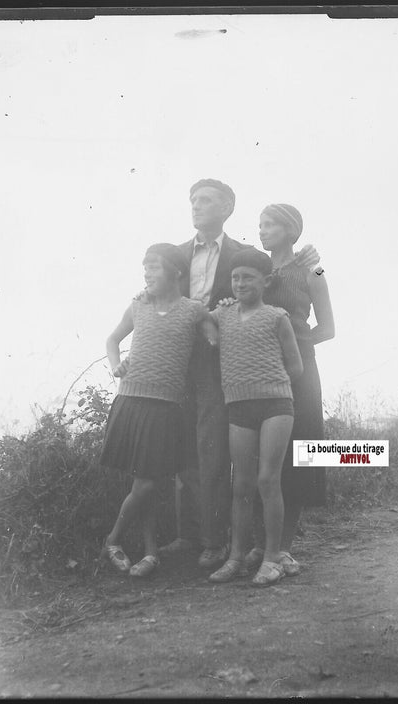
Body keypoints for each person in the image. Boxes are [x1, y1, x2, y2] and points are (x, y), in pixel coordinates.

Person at [158, 179, 321, 569]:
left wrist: (285, 353)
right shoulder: (190, 257)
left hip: (258, 370)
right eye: (192, 199)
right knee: (195, 453)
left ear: (228, 207)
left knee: (278, 457)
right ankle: (203, 538)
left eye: (207, 200)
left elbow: (300, 295)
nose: (197, 206)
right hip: (200, 365)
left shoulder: (276, 261)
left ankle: (265, 547)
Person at [100, 243, 217, 578]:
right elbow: (112, 340)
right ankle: (150, 552)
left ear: (176, 272)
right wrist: (115, 365)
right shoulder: (138, 305)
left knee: (147, 482)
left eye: (154, 267)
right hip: (131, 401)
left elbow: (215, 339)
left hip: (166, 407)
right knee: (144, 480)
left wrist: (220, 316)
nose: (147, 273)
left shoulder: (194, 310)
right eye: (145, 267)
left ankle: (112, 540)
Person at [244, 203, 335, 576]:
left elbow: (328, 328)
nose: (262, 230)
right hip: (258, 373)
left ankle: (282, 548)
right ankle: (258, 545)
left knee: (299, 453)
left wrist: (295, 348)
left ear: (290, 230)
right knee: (260, 458)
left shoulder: (314, 267)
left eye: (270, 225)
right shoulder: (257, 270)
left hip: (299, 374)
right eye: (260, 224)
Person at [207, 248, 303, 586]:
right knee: (241, 484)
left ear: (266, 280)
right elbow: (196, 318)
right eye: (235, 277)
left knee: (267, 480)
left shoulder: (277, 316)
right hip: (238, 406)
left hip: (276, 406)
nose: (240, 283)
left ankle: (272, 556)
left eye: (248, 277)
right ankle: (236, 556)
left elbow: (295, 365)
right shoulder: (222, 316)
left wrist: (269, 386)